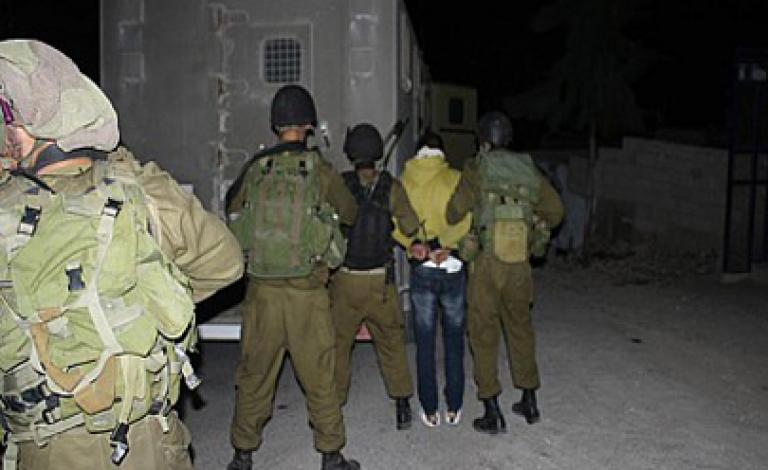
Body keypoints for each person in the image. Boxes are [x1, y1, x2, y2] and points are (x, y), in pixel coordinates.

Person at [0, 39, 244, 469]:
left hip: (48, 450)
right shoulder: (139, 188)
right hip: (147, 443)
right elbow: (225, 263)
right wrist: (145, 303)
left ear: (28, 124)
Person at [226, 85, 361, 470]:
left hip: (262, 294)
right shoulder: (320, 169)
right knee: (319, 374)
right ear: (308, 125)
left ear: (276, 125)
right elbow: (350, 212)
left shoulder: (257, 168)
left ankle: (242, 455)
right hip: (307, 293)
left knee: (255, 374)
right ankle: (331, 455)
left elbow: (231, 206)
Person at [445, 111, 564, 434]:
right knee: (521, 329)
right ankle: (529, 400)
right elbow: (556, 211)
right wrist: (530, 220)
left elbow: (453, 212)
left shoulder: (476, 168)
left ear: (483, 141)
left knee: (483, 334)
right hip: (519, 263)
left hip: (486, 264)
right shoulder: (528, 168)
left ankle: (491, 410)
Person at [331, 123, 418, 430]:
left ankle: (333, 407)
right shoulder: (391, 187)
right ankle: (403, 404)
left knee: (339, 346)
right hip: (380, 282)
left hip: (346, 280)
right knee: (391, 343)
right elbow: (411, 226)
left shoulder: (340, 185)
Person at [392, 132, 471, 428]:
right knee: (454, 338)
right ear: (441, 154)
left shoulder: (403, 181)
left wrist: (415, 244)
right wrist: (448, 245)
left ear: (418, 152)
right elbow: (467, 219)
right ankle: (455, 405)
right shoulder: (456, 178)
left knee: (424, 341)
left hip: (422, 265)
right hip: (452, 264)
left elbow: (395, 223)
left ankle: (429, 408)